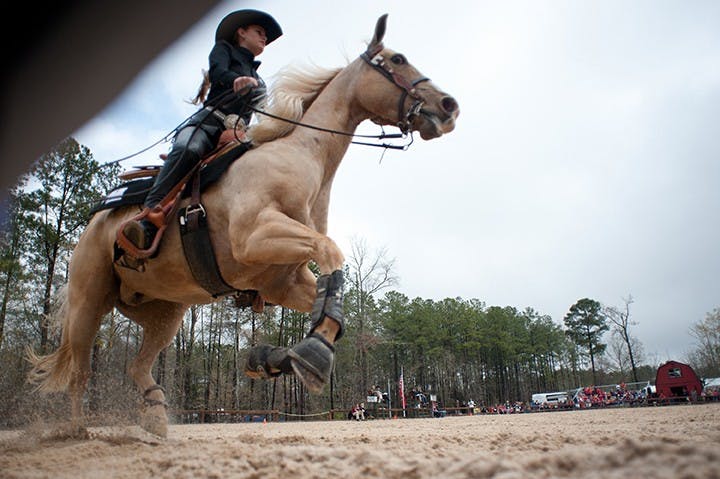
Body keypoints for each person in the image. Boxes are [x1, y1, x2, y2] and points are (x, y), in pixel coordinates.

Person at [121, 9, 283, 251]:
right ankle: (150, 214)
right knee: (189, 147)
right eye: (259, 32)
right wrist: (233, 81)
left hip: (238, 135)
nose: (264, 39)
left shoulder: (259, 82)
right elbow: (218, 71)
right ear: (241, 32)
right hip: (208, 123)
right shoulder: (223, 50)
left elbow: (264, 113)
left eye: (265, 37)